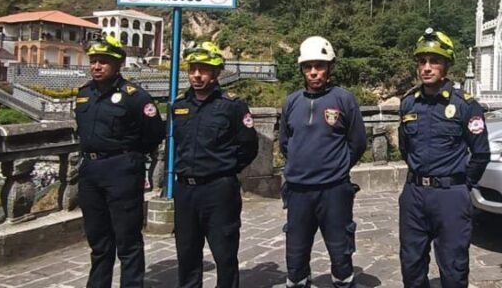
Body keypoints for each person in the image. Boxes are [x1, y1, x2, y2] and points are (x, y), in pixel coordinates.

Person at [398, 28, 490, 288]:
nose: (426, 68)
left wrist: (461, 186)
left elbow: (481, 153)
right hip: (414, 195)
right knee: (411, 265)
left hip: (450, 195)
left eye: (434, 61)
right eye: (422, 61)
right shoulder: (409, 104)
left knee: (453, 267)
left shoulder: (465, 105)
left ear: (446, 65)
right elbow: (406, 148)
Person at [74, 35, 165, 288]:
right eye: (93, 61)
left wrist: (131, 158)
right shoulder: (84, 94)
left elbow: (154, 133)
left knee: (127, 240)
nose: (97, 66)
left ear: (118, 65)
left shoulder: (135, 96)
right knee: (98, 240)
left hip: (121, 171)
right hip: (90, 171)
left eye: (103, 62)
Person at [280, 36, 368, 288]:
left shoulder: (344, 99)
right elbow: (286, 143)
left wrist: (337, 166)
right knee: (295, 260)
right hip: (298, 192)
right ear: (302, 69)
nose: (314, 72)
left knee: (341, 255)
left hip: (334, 191)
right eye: (308, 67)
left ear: (329, 67)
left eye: (319, 66)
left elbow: (358, 142)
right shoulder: (291, 102)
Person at [171, 41, 259, 288]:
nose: (197, 75)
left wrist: (226, 169)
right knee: (187, 253)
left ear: (216, 72)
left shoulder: (232, 106)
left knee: (224, 252)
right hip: (186, 190)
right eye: (192, 69)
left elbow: (249, 146)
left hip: (219, 190)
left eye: (203, 69)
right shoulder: (179, 106)